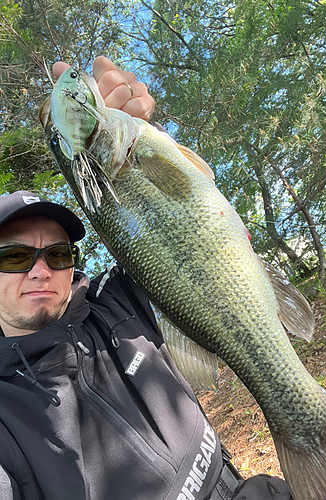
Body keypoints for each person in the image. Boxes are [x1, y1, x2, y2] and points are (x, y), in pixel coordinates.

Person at [0, 56, 293, 500]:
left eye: (58, 253)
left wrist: (142, 134)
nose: (41, 269)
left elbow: (197, 242)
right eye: (16, 256)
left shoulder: (116, 298)